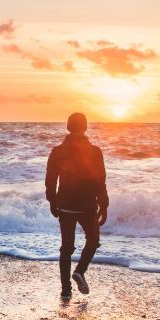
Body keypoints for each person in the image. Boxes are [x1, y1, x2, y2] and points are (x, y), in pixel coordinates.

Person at [45, 112, 109, 299]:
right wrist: (104, 205)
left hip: (65, 204)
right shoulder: (94, 151)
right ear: (85, 127)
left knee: (66, 247)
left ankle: (66, 290)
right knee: (93, 240)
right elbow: (100, 181)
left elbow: (50, 180)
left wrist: (52, 201)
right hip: (87, 204)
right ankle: (80, 271)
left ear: (68, 127)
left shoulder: (57, 152)